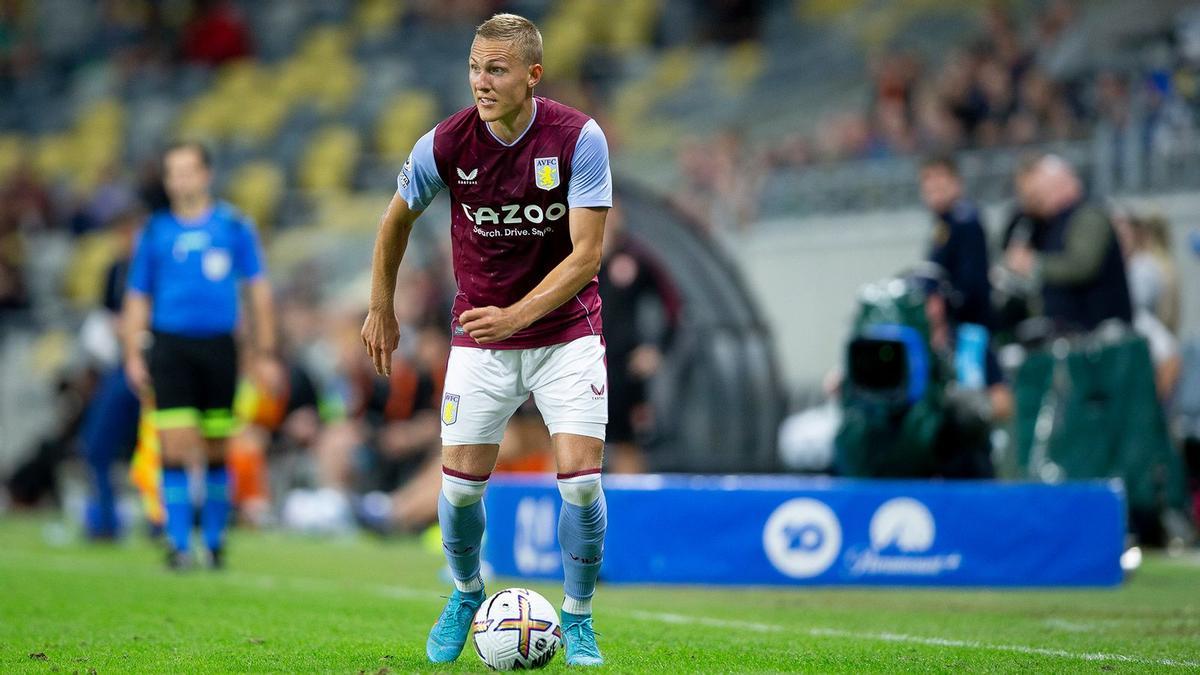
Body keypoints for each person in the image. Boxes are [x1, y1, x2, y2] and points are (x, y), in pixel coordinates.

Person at [360, 14, 611, 666]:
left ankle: (578, 618)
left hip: (565, 333)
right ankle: (467, 592)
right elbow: (394, 223)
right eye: (475, 68)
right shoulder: (445, 143)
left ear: (532, 74)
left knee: (582, 484)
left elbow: (586, 257)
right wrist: (380, 306)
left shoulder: (578, 138)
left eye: (496, 69)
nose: (481, 81)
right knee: (460, 489)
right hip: (481, 338)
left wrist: (517, 315)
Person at [121, 141, 281, 570]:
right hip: (170, 345)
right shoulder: (154, 232)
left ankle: (212, 543)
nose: (181, 180)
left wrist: (265, 352)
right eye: (173, 173)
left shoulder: (232, 226)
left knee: (215, 448)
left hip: (218, 347)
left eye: (189, 170)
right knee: (172, 446)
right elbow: (137, 297)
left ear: (206, 175)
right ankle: (177, 544)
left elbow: (258, 289)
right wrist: (133, 355)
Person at [1004, 155, 1132, 331]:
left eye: (1043, 192)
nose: (1039, 201)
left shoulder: (1088, 215)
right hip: (1069, 331)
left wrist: (1033, 263)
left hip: (1098, 330)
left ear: (1064, 184)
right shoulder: (1044, 224)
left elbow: (1082, 265)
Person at [919, 153, 992, 329]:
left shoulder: (965, 222)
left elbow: (970, 283)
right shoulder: (944, 222)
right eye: (927, 179)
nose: (933, 185)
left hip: (969, 323)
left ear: (956, 182)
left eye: (939, 178)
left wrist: (944, 307)